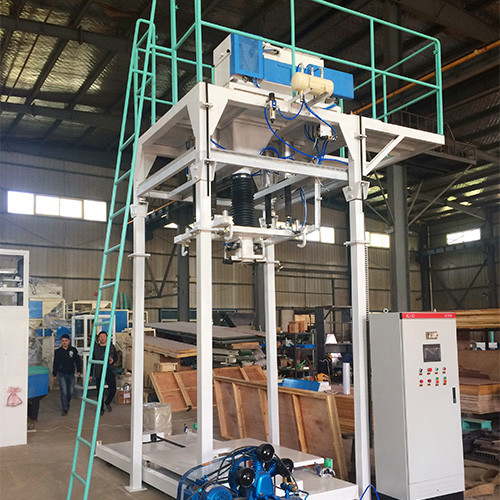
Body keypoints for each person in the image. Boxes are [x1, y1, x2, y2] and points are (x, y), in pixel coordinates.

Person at [53, 333, 82, 416]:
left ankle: (67, 402)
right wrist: (54, 374)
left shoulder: (73, 350)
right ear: (61, 342)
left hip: (71, 373)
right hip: (61, 374)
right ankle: (64, 408)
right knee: (64, 391)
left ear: (69, 341)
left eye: (66, 341)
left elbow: (77, 361)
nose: (64, 342)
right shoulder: (58, 352)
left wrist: (79, 370)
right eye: (63, 341)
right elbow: (55, 363)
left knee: (71, 391)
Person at [90, 331, 118, 414]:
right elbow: (92, 361)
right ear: (98, 338)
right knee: (100, 391)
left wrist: (113, 360)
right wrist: (90, 374)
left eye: (104, 336)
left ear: (107, 337)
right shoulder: (95, 348)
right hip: (99, 371)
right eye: (100, 337)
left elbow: (116, 357)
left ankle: (107, 402)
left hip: (109, 370)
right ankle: (101, 409)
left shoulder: (111, 347)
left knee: (113, 389)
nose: (102, 338)